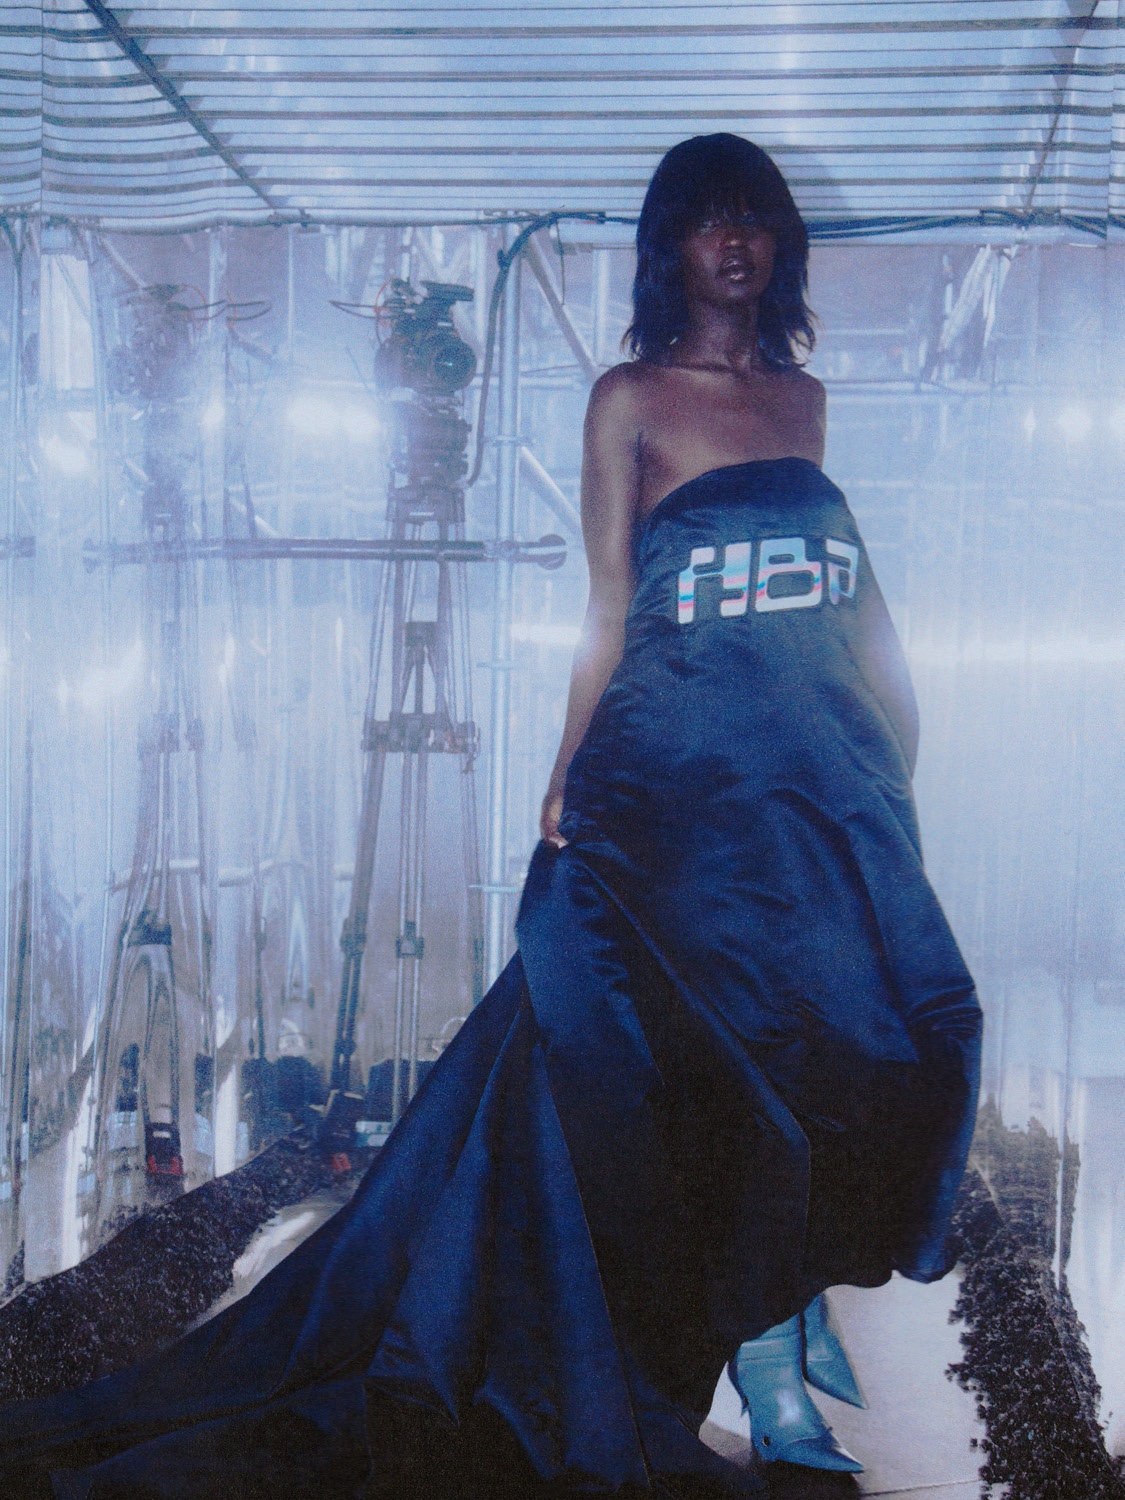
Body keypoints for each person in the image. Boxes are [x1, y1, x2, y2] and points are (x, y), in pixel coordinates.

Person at [0, 135, 981, 1500]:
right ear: (670, 248)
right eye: (707, 223)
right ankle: (659, 1351)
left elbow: (819, 609)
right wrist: (566, 767)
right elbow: (608, 608)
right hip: (662, 790)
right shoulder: (628, 398)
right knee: (633, 1070)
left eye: (756, 220)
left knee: (834, 1048)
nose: (736, 245)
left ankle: (767, 1328)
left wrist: (880, 746)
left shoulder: (805, 402)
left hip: (795, 797)